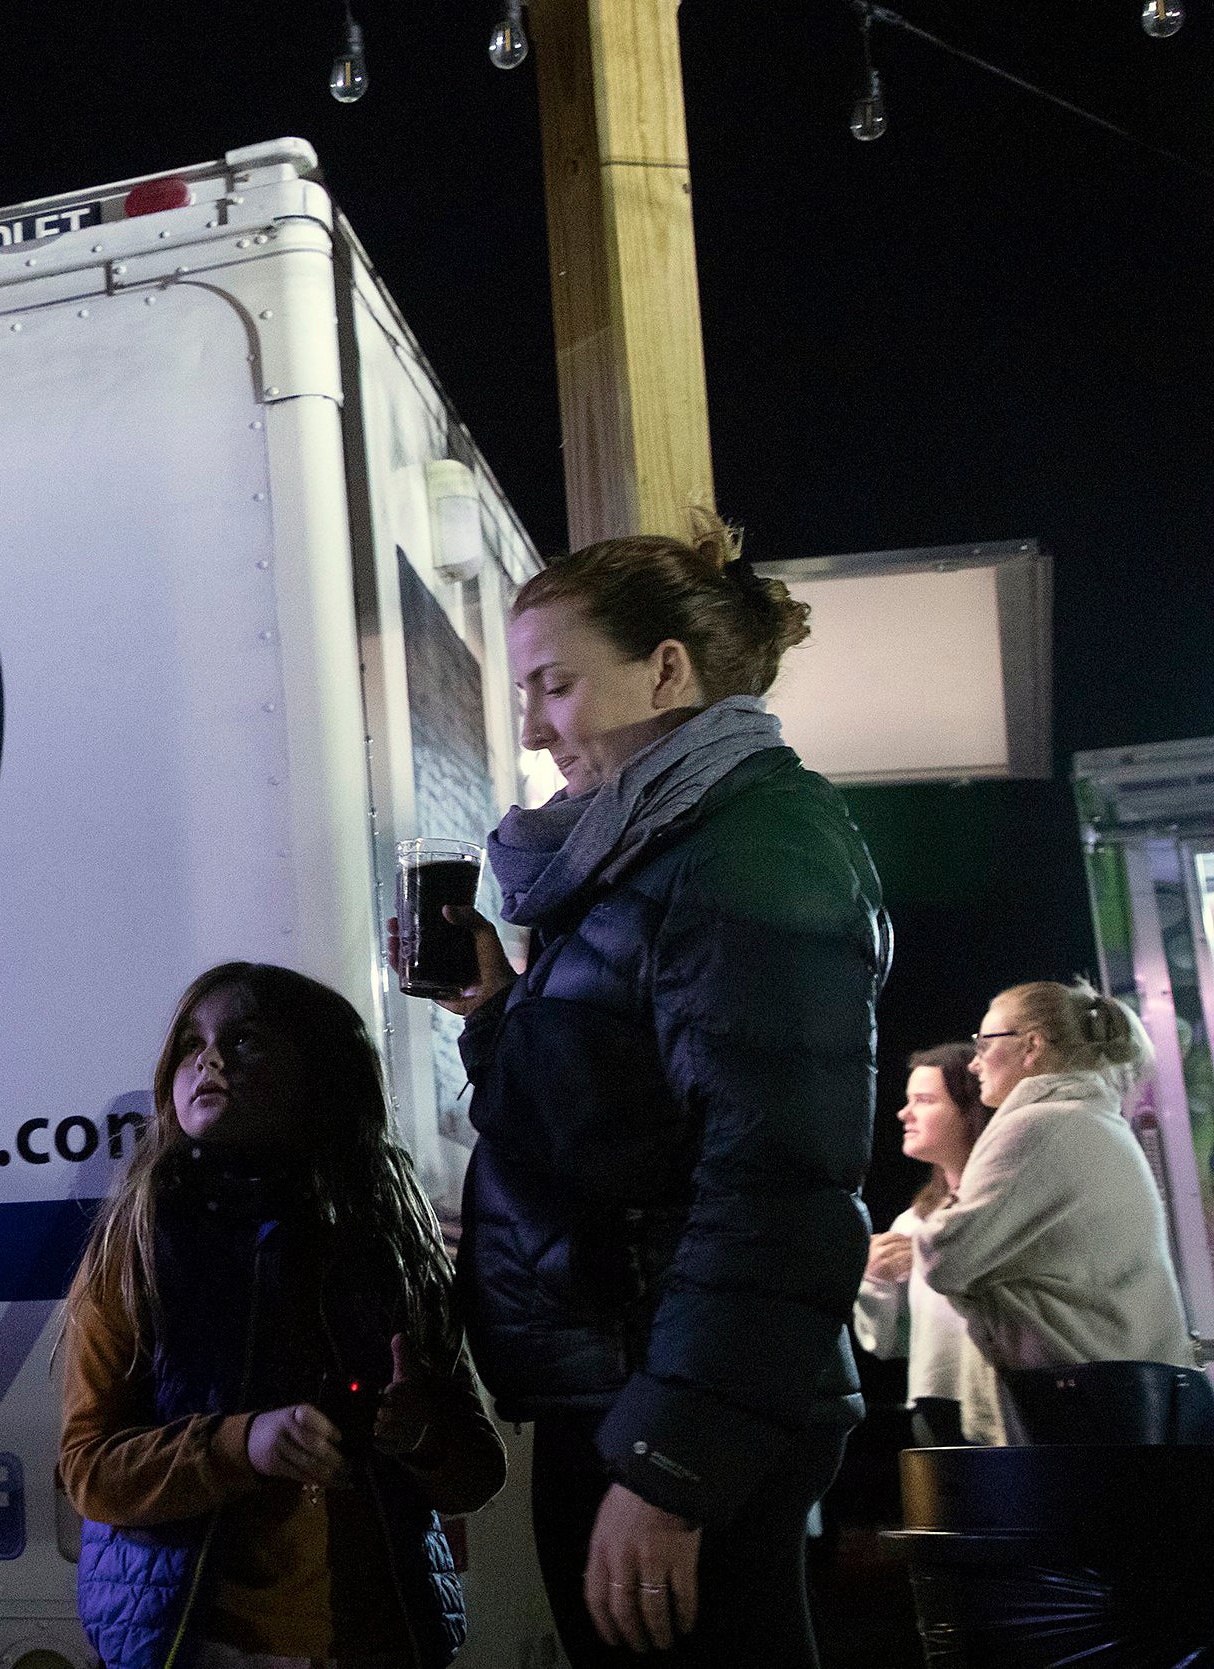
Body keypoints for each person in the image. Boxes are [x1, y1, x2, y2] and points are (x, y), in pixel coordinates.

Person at [443, 522, 888, 1666]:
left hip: (669, 1402)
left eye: (555, 686)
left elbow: (773, 1182)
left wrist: (673, 1466)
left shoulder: (751, 847)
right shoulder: (650, 849)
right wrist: (498, 1017)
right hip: (633, 1383)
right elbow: (603, 1136)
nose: (537, 728)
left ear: (667, 670)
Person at [60, 962, 507, 1669]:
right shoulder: (138, 1243)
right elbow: (90, 1468)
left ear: (323, 1073)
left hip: (377, 1636)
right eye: (191, 1043)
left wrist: (424, 1432)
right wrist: (240, 1444)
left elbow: (477, 1473)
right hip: (200, 1641)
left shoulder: (391, 1242)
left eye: (243, 1040)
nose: (208, 1058)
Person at [915, 979, 1191, 1444]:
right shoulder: (1095, 1120)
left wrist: (942, 1239)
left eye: (985, 1042)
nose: (975, 1060)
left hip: (1069, 1401)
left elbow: (945, 1260)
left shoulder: (1037, 1125)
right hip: (1123, 1394)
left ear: (1032, 1046)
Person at [855, 1044, 994, 1446]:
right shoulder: (913, 1221)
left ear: (970, 1112)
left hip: (1003, 1398)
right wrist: (876, 1280)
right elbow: (887, 1344)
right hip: (934, 1403)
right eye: (907, 1100)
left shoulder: (1006, 1206)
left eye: (925, 1100)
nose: (904, 1113)